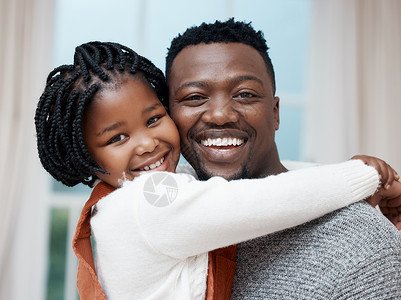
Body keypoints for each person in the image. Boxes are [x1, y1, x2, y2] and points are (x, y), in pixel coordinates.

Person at [34, 41, 399, 300]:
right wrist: (364, 175)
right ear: (87, 158)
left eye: (154, 119)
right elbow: (258, 200)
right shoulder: (144, 204)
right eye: (117, 138)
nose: (146, 144)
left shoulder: (148, 194)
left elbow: (265, 187)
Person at [165, 18, 401, 299]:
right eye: (194, 97)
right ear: (168, 117)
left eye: (244, 94)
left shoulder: (359, 245)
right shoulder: (157, 220)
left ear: (275, 113)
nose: (220, 115)